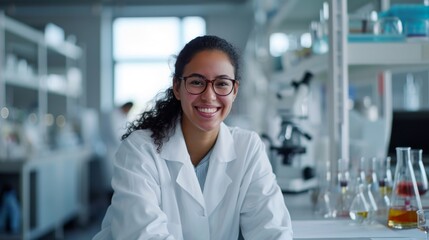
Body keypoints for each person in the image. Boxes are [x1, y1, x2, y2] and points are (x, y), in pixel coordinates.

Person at [93, 35, 293, 240]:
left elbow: (272, 229)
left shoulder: (248, 147)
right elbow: (143, 235)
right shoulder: (140, 149)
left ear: (234, 90)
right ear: (177, 87)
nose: (209, 95)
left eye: (222, 84)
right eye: (197, 82)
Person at [102, 101, 134, 197]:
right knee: (110, 179)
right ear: (126, 107)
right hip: (111, 151)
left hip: (118, 151)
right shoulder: (113, 115)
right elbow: (115, 136)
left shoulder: (122, 116)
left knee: (117, 179)